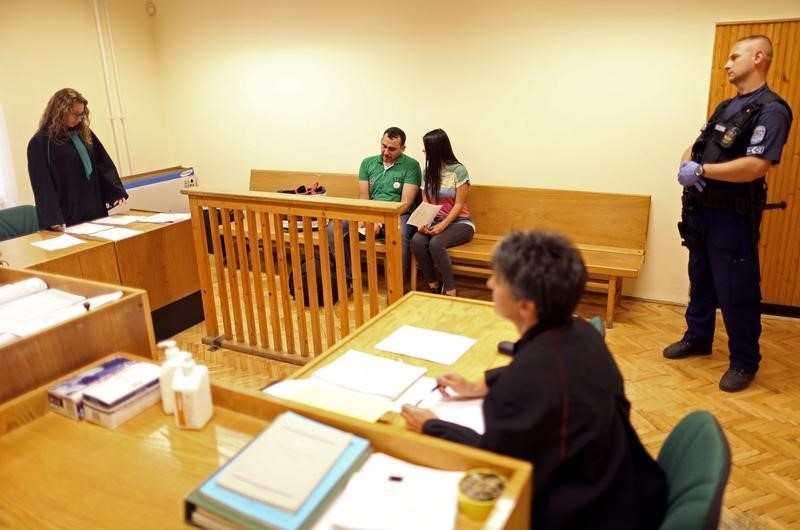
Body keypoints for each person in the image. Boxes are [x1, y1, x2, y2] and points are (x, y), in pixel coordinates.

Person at [401, 230, 666, 529]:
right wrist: (479, 385)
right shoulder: (582, 332)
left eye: (497, 280)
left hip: (592, 513)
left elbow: (497, 464)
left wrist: (431, 425)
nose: (489, 283)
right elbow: (547, 369)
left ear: (525, 306)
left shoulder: (525, 385)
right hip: (628, 485)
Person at [664, 35, 793, 392]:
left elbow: (756, 165)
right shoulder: (726, 106)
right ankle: (698, 337)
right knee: (700, 278)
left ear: (758, 57)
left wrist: (702, 172)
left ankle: (744, 361)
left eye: (734, 56)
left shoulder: (771, 109)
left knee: (737, 289)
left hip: (732, 217)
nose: (727, 63)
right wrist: (686, 163)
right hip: (702, 212)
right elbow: (698, 144)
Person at [327, 127, 421, 288]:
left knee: (401, 235)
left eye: (392, 149)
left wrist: (380, 220)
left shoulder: (412, 165)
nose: (386, 152)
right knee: (333, 228)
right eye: (383, 146)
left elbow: (405, 203)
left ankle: (397, 286)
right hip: (370, 211)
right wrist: (370, 218)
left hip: (399, 215)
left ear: (402, 149)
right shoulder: (368, 163)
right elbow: (364, 197)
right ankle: (347, 279)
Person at [27, 88, 127, 231]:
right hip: (67, 214)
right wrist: (53, 219)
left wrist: (114, 191)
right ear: (59, 112)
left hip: (94, 207)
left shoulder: (84, 133)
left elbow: (102, 163)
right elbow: (42, 185)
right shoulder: (41, 142)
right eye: (75, 114)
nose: (80, 118)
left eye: (82, 114)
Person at [411, 129, 474, 296]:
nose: (424, 151)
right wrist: (422, 223)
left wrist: (442, 226)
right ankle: (433, 285)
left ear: (436, 149)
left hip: (460, 223)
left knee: (436, 243)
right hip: (435, 221)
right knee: (417, 240)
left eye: (426, 148)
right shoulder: (427, 172)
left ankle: (450, 289)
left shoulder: (458, 171)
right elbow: (425, 203)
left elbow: (459, 205)